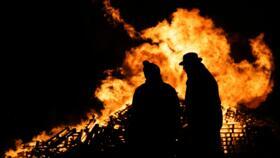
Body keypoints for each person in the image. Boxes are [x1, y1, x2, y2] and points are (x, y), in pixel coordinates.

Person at [127, 60, 181, 157]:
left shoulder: (141, 91)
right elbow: (176, 112)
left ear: (146, 75)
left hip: (146, 136)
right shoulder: (168, 89)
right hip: (166, 135)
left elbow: (135, 115)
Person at [179, 52, 223, 157]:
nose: (184, 68)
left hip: (204, 124)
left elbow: (197, 104)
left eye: (186, 65)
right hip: (208, 122)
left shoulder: (198, 79)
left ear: (191, 65)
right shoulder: (201, 75)